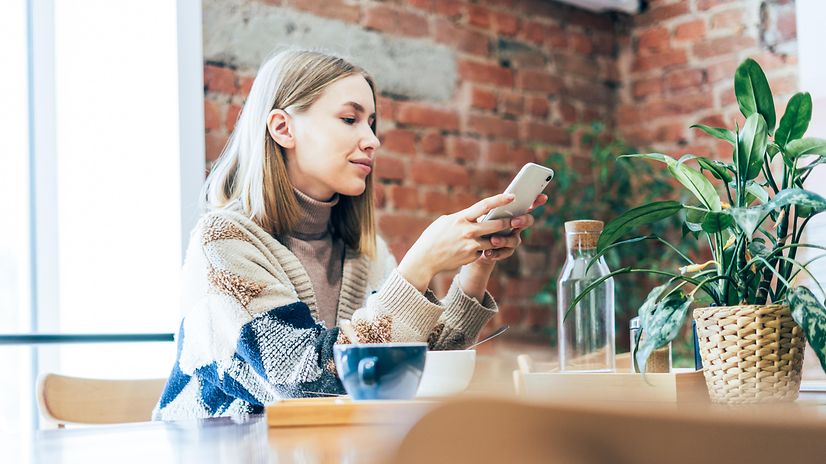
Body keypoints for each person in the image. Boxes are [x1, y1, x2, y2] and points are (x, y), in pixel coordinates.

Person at [153, 49, 546, 420]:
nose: (372, 140)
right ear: (282, 128)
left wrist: (476, 270)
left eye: (372, 124)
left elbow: (415, 366)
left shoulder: (365, 254)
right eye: (349, 119)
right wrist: (418, 266)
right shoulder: (223, 242)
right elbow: (301, 380)